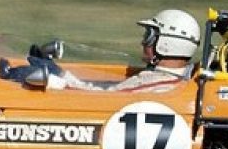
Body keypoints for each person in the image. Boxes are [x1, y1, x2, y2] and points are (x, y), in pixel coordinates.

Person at [48, 9, 201, 93]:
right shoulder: (175, 78)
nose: (143, 42)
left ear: (166, 43)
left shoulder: (156, 84)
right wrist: (61, 73)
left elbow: (103, 99)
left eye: (149, 37)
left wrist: (56, 82)